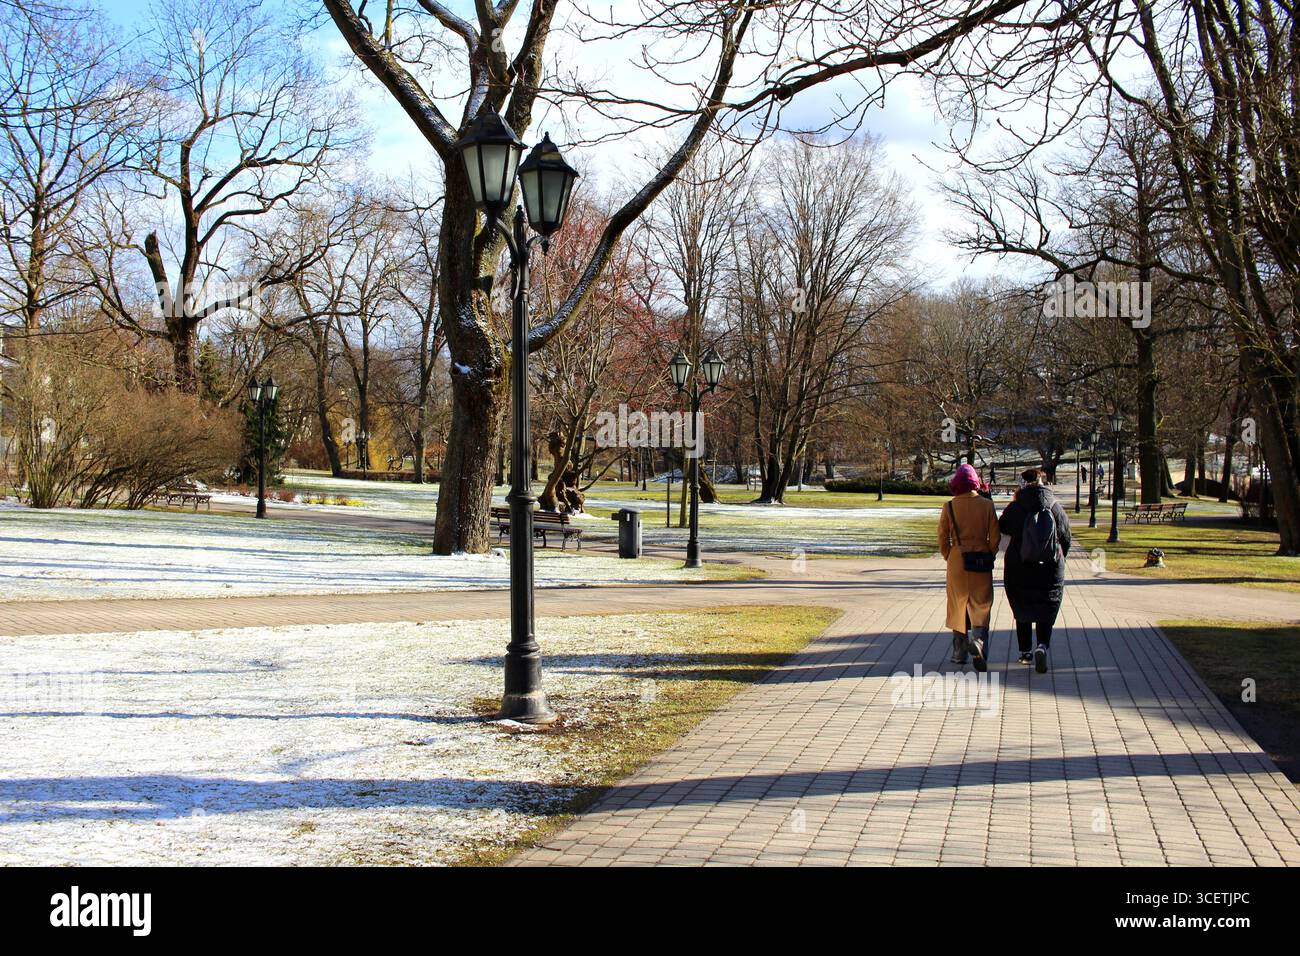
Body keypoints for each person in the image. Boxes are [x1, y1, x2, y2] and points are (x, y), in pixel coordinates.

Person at [998, 468, 1072, 672]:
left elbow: (1002, 527)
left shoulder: (1015, 507)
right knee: (1046, 608)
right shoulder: (1055, 506)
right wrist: (1058, 557)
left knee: (1022, 608)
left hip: (1019, 567)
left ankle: (1025, 652)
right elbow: (1066, 536)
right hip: (1050, 568)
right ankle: (1042, 646)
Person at [937, 463, 1001, 671]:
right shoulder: (986, 505)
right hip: (981, 558)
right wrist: (989, 552)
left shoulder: (950, 506)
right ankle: (979, 642)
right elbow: (995, 536)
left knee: (957, 603)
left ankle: (959, 651)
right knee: (982, 603)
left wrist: (950, 554)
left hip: (957, 559)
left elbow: (942, 535)